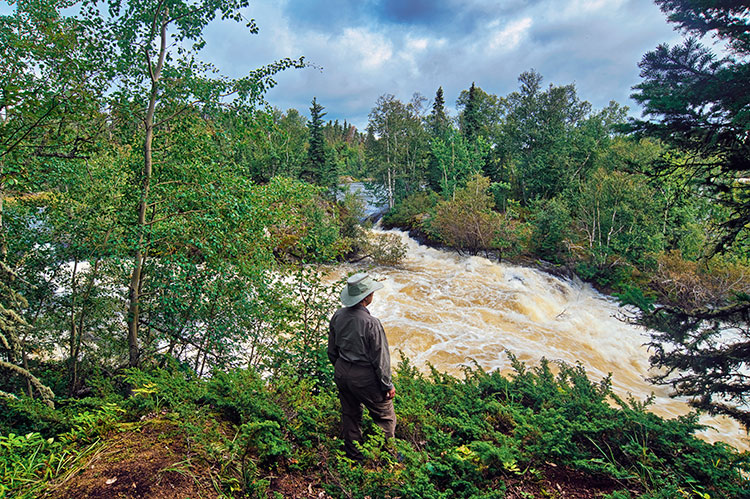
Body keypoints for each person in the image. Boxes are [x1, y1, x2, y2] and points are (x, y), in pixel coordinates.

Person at [328, 272, 396, 461]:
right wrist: (387, 385)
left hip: (341, 370)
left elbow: (331, 350)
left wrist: (342, 369)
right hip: (364, 376)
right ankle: (386, 457)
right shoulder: (371, 323)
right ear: (366, 297)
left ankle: (354, 456)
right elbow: (380, 360)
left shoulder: (338, 316)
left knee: (350, 414)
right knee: (385, 417)